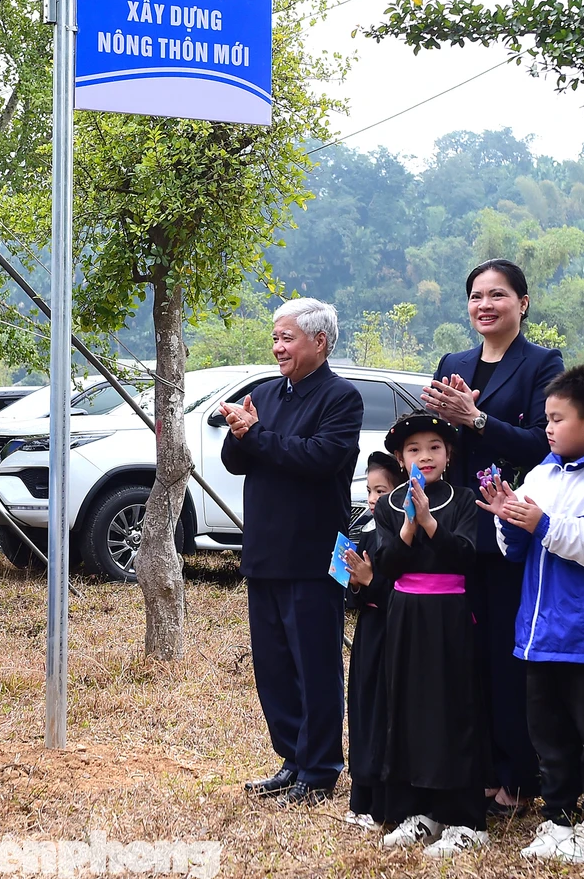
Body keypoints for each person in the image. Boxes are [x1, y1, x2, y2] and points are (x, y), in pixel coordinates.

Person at [484, 365, 584, 863]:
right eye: (546, 419)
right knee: (547, 733)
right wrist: (510, 520)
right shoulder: (539, 474)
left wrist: (542, 522)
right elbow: (516, 549)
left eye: (557, 418)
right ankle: (558, 817)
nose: (548, 427)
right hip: (539, 631)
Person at [423, 258, 563, 811]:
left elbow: (543, 442)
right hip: (454, 524)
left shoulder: (541, 363)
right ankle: (477, 767)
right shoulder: (454, 361)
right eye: (477, 295)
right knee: (467, 652)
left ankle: (520, 777)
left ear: (522, 304)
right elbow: (440, 439)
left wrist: (476, 419)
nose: (486, 305)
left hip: (508, 528)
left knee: (509, 655)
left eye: (498, 295)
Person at [219, 297, 364, 806]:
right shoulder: (265, 394)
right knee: (274, 665)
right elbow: (236, 460)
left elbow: (319, 459)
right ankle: (292, 759)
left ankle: (321, 769)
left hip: (315, 553)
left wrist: (257, 434)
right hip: (264, 548)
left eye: (287, 338)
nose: (277, 347)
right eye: (275, 337)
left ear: (319, 342)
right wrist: (240, 432)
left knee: (316, 663)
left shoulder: (341, 398)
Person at [374, 412, 486, 857]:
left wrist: (430, 522)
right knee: (407, 705)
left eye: (434, 448)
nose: (425, 456)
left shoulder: (464, 499)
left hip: (449, 613)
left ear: (449, 454)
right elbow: (387, 566)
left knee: (452, 707)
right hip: (405, 614)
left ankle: (464, 818)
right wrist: (407, 523)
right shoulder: (387, 504)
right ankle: (418, 811)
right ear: (401, 459)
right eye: (414, 449)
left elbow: (467, 557)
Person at [343, 451, 406, 830]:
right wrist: (352, 581)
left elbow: (402, 590)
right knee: (363, 707)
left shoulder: (406, 536)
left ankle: (384, 803)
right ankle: (362, 797)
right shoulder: (366, 531)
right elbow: (352, 596)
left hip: (394, 632)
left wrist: (371, 581)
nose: (371, 499)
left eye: (380, 491)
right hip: (368, 632)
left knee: (385, 710)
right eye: (369, 490)